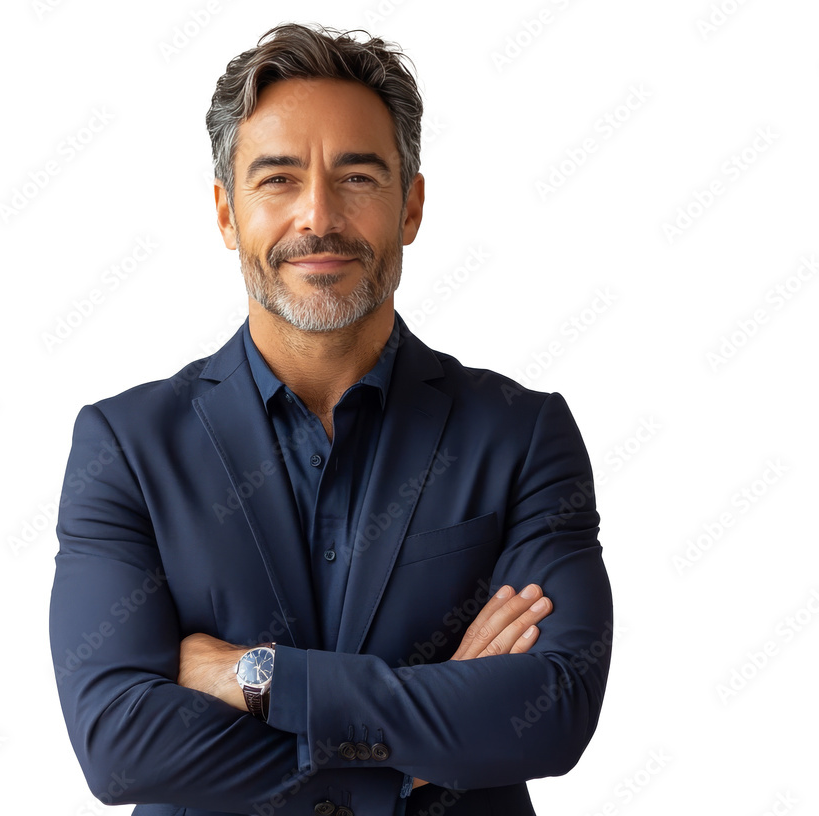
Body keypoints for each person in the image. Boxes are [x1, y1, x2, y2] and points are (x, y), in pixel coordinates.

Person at [49, 22, 612, 816]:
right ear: (225, 213)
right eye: (278, 179)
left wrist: (262, 677)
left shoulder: (522, 436)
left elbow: (550, 710)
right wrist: (416, 748)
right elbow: (120, 744)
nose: (318, 216)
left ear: (411, 206)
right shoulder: (127, 448)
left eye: (357, 178)